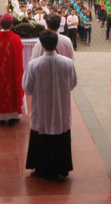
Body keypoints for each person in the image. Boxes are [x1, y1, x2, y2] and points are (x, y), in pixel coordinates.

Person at [23, 30, 77, 179]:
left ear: (42, 45)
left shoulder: (34, 64)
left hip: (41, 108)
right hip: (61, 108)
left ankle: (41, 167)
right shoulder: (68, 63)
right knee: (61, 133)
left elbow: (27, 87)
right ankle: (62, 167)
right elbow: (73, 84)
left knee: (42, 132)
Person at [0, 13, 26, 124]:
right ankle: (14, 115)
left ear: (0, 25)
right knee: (13, 87)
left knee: (0, 87)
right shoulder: (16, 38)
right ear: (12, 25)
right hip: (13, 73)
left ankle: (0, 115)